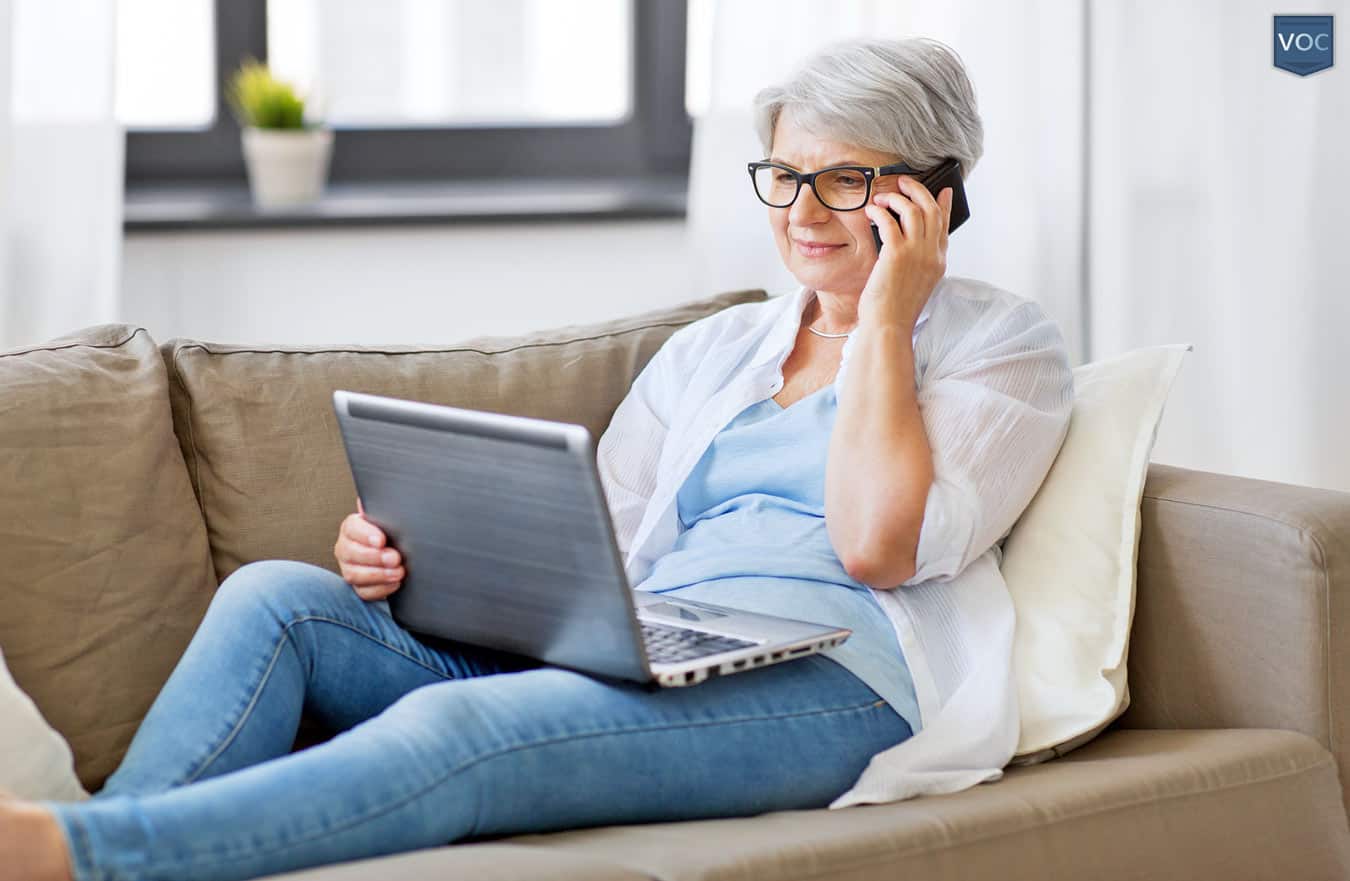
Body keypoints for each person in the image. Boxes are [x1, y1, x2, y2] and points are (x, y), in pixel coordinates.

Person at [0, 36, 1073, 881]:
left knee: (459, 726)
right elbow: (595, 536)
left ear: (933, 195)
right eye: (783, 176)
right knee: (282, 597)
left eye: (843, 182)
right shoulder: (718, 348)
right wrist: (415, 561)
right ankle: (83, 838)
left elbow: (878, 545)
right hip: (652, 641)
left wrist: (885, 316)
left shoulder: (1002, 348)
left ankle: (76, 857)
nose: (799, 213)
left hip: (835, 678)